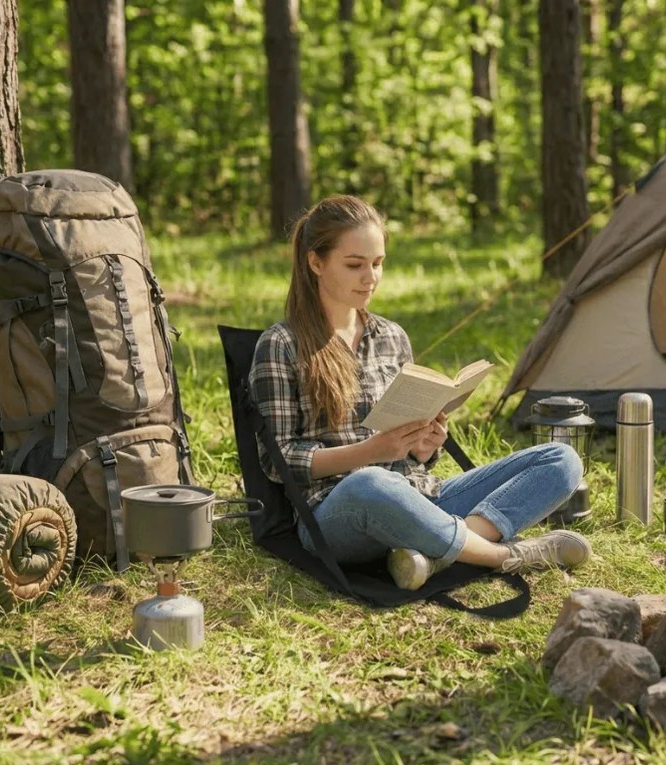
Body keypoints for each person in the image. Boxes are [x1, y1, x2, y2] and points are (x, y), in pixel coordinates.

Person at [248, 195, 591, 590]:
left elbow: (413, 456)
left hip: (419, 495)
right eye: (355, 265)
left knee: (561, 459)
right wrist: (370, 453)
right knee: (370, 482)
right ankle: (500, 556)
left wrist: (425, 446)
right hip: (338, 510)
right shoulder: (282, 344)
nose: (370, 277)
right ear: (316, 262)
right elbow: (278, 461)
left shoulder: (392, 336)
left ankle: (434, 551)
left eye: (377, 264)